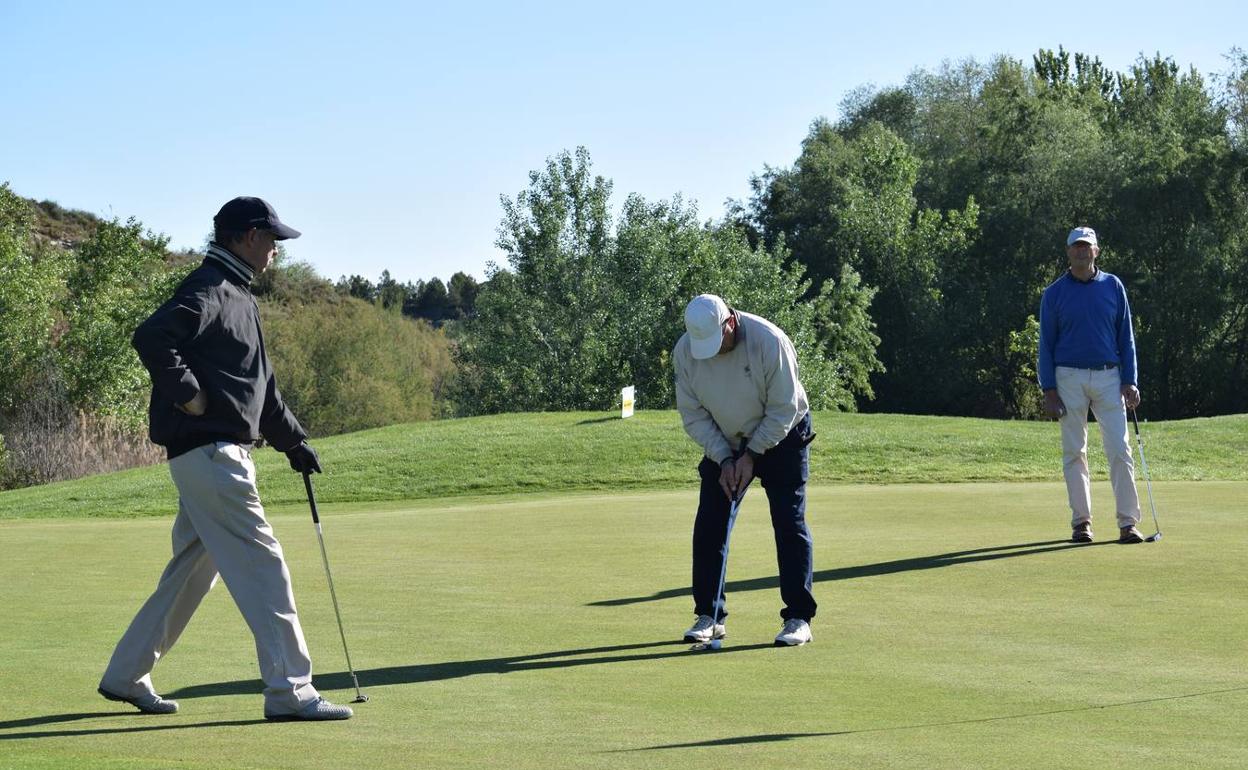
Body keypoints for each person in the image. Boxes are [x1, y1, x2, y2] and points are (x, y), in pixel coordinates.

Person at [97, 197, 354, 721]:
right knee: (265, 566)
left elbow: (261, 388)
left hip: (212, 457)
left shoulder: (236, 294)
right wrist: (188, 393)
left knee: (193, 570)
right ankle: (290, 690)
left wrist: (293, 442)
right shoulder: (210, 288)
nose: (277, 250)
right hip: (214, 456)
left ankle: (126, 675)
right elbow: (151, 336)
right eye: (271, 238)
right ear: (245, 237)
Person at [674, 293, 817, 647]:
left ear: (730, 322)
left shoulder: (769, 341)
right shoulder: (686, 351)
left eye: (716, 341)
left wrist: (751, 455)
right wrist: (725, 458)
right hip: (726, 439)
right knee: (710, 523)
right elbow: (693, 414)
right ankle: (709, 615)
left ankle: (799, 618)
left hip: (782, 435)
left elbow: (784, 408)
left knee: (788, 522)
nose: (712, 351)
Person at [1038, 226, 1144, 544]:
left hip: (1110, 376)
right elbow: (1046, 345)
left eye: (1088, 247)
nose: (1082, 251)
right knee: (1074, 452)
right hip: (1068, 377)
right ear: (1068, 252)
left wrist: (1131, 381)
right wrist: (1049, 390)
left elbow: (1126, 337)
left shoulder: (1113, 286)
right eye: (1077, 247)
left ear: (1096, 251)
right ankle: (1081, 522)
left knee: (1120, 450)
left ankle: (1128, 524)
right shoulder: (1054, 293)